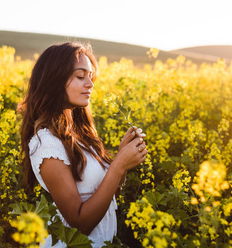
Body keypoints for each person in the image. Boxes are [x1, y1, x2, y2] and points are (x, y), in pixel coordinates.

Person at [18, 42, 147, 247]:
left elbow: (104, 194)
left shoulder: (80, 136)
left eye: (91, 76)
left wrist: (122, 157)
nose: (90, 83)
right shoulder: (46, 144)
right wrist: (119, 165)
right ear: (55, 80)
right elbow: (78, 224)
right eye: (80, 76)